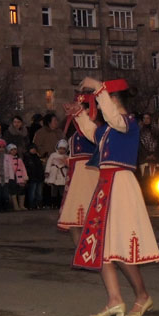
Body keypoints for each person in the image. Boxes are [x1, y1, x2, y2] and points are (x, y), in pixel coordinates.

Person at [66, 77, 159, 316]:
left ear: (112, 98)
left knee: (120, 244)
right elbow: (91, 133)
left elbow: (114, 119)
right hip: (105, 185)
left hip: (121, 185)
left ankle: (142, 296)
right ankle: (115, 299)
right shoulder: (108, 128)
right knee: (101, 244)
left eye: (101, 99)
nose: (98, 103)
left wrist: (97, 87)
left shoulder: (128, 123)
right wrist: (79, 114)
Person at [57, 95, 99, 243]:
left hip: (90, 174)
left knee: (91, 215)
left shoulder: (95, 128)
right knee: (73, 216)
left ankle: (91, 249)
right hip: (76, 175)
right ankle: (79, 250)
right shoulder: (74, 131)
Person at [44, 139, 69, 208]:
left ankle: (60, 204)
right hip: (54, 174)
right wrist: (47, 171)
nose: (62, 150)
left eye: (63, 149)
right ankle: (53, 204)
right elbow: (49, 163)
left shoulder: (66, 157)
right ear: (57, 148)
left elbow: (68, 165)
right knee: (54, 190)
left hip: (62, 174)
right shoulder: (53, 155)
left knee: (62, 190)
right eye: (60, 148)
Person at [23, 143, 44, 209]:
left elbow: (40, 168)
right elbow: (26, 168)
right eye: (32, 148)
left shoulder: (37, 157)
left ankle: (39, 205)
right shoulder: (26, 158)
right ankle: (31, 205)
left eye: (35, 148)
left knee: (39, 192)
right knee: (32, 192)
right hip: (32, 178)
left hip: (39, 177)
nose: (34, 150)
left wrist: (42, 175)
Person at [8, 143, 28, 211]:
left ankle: (21, 205)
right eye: (11, 150)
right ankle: (15, 206)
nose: (14, 151)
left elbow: (23, 169)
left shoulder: (19, 159)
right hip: (12, 177)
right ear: (9, 151)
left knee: (21, 190)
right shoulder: (7, 159)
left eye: (15, 149)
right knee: (13, 191)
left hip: (20, 178)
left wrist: (25, 177)